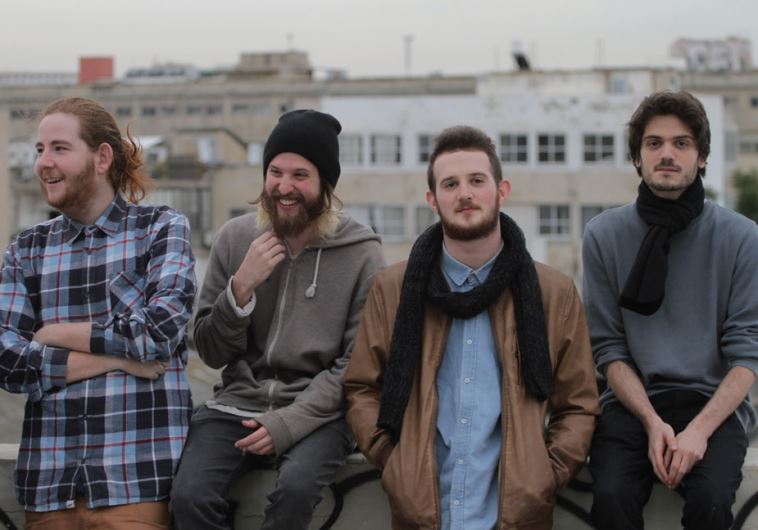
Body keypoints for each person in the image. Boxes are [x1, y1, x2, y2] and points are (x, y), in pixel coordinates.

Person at [344, 125, 598, 530]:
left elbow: (579, 404)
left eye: (477, 180)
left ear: (502, 190)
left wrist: (542, 478)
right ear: (432, 199)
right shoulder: (392, 290)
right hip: (421, 515)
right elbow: (361, 388)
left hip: (517, 518)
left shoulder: (554, 293)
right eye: (450, 184)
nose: (464, 193)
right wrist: (395, 465)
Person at [170, 109, 385, 530]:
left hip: (320, 413)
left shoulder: (363, 253)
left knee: (296, 491)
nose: (284, 187)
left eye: (300, 175)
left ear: (325, 184)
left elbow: (355, 366)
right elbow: (210, 351)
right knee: (188, 496)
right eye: (275, 172)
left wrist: (285, 424)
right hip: (237, 403)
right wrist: (240, 290)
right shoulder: (235, 239)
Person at [0, 97, 196, 529]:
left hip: (136, 484)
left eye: (59, 148)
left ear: (102, 157)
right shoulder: (26, 250)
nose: (43, 163)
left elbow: (158, 331)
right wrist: (117, 361)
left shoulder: (160, 228)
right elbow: (7, 361)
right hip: (49, 487)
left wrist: (53, 333)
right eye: (39, 150)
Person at [583, 90, 758, 530]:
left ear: (702, 157)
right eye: (654, 143)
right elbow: (608, 348)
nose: (667, 154)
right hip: (632, 403)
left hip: (713, 404)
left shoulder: (742, 237)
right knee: (610, 499)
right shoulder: (603, 235)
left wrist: (698, 430)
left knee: (712, 503)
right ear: (637, 158)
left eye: (681, 143)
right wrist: (650, 420)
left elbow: (748, 353)